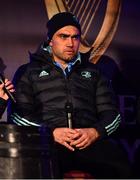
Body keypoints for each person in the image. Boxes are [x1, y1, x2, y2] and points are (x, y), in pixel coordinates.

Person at [8, 12, 131, 178]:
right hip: (48, 143)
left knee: (119, 162)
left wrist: (94, 132)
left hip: (89, 143)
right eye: (63, 36)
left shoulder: (94, 72)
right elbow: (17, 116)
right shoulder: (28, 72)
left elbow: (112, 115)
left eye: (75, 37)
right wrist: (50, 132)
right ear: (50, 40)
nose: (70, 43)